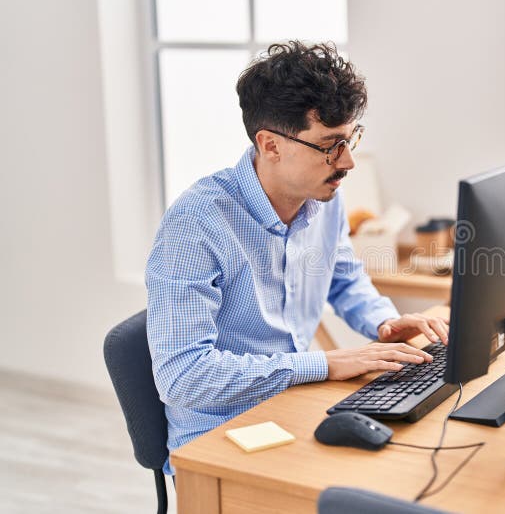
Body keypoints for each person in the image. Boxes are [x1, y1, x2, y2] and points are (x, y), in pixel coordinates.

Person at [145, 41, 449, 474]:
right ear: (269, 145)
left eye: (350, 139)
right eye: (330, 145)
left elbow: (342, 276)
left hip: (298, 406)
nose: (347, 162)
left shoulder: (324, 196)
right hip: (220, 439)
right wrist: (324, 364)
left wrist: (382, 320)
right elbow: (184, 377)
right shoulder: (195, 227)